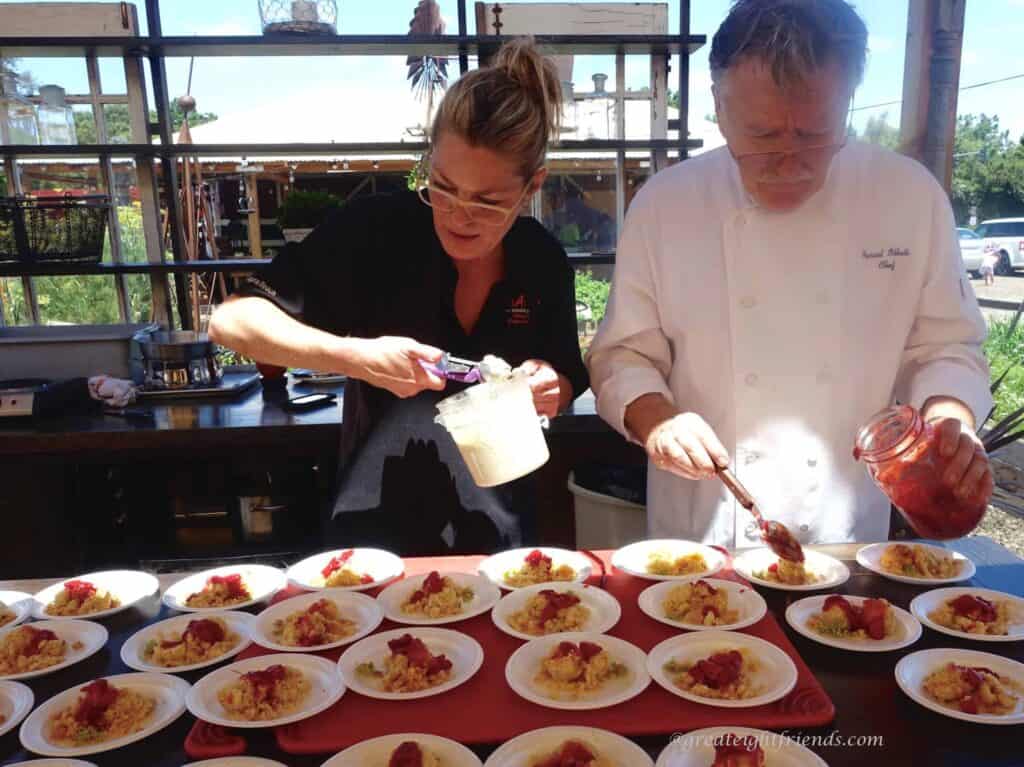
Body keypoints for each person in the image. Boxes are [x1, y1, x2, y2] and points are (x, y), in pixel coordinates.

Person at [587, 0, 993, 547]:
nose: (788, 159)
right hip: (704, 538)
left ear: (846, 101)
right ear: (719, 107)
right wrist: (658, 419)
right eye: (761, 135)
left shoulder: (908, 197)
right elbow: (623, 354)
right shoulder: (665, 205)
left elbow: (947, 346)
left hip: (848, 535)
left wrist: (950, 422)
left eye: (813, 133)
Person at [210, 38, 588, 554]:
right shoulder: (375, 231)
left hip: (501, 535)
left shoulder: (541, 258)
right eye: (443, 186)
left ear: (532, 187)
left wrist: (552, 384)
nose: (458, 214)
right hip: (372, 533)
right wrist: (353, 357)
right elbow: (232, 322)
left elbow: (566, 373)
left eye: (487, 201)